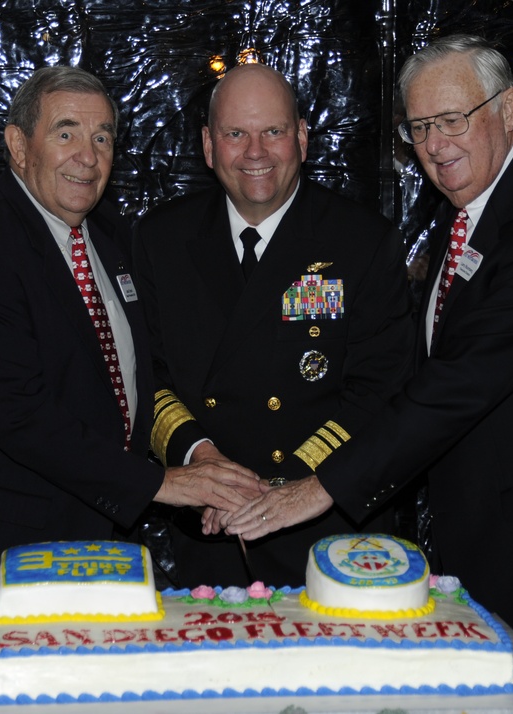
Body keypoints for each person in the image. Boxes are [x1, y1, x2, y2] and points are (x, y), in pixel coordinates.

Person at [226, 35, 513, 647]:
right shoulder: (476, 208)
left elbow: (459, 382)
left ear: (508, 109)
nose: (434, 144)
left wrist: (322, 487)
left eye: (453, 119)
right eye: (420, 126)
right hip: (493, 547)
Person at [0, 66, 260, 625]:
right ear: (18, 145)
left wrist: (200, 459)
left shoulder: (108, 238)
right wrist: (165, 484)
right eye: (66, 132)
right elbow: (19, 414)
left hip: (95, 549)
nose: (88, 155)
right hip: (3, 563)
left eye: (102, 137)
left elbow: (137, 381)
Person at [133, 63, 412, 587]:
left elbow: (382, 387)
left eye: (274, 132)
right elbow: (147, 375)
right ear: (208, 146)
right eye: (235, 134)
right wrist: (205, 464)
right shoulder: (161, 240)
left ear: (302, 139)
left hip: (330, 536)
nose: (255, 152)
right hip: (209, 531)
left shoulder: (362, 241)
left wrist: (283, 486)